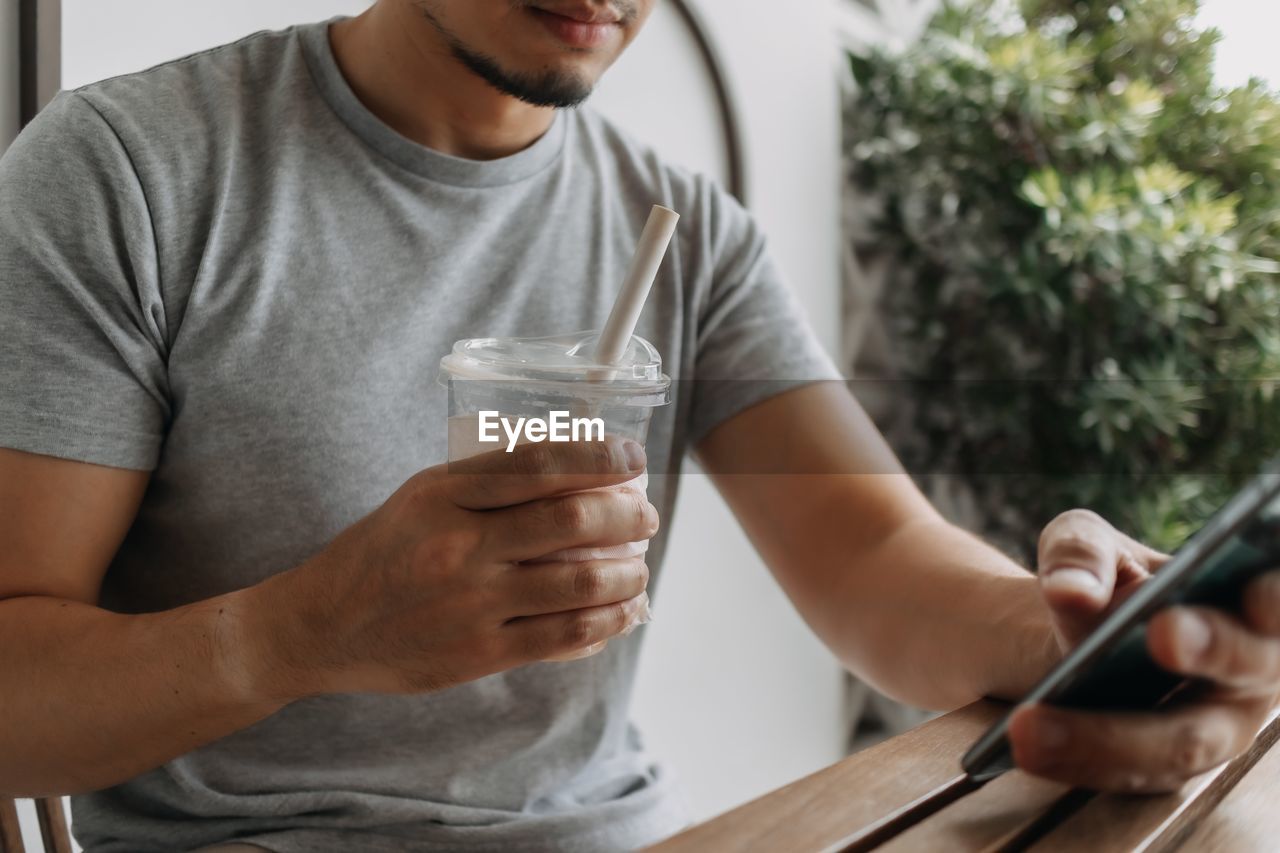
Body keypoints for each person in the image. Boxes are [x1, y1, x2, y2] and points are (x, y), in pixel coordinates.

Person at [1, 1, 1278, 851]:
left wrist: (1070, 627)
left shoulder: (680, 225)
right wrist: (300, 632)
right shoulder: (128, 174)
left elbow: (875, 560)